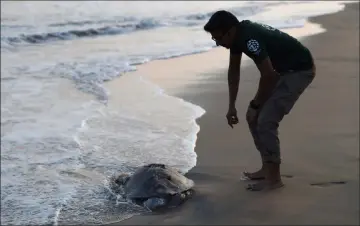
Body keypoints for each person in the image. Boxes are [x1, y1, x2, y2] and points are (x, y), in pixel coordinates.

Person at [203, 10, 316, 191]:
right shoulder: (236, 37)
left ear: (230, 31)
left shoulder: (249, 40)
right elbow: (234, 73)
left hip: (299, 70)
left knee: (266, 120)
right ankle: (266, 167)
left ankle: (274, 179)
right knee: (252, 117)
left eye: (219, 38)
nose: (218, 43)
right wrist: (231, 106)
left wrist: (256, 104)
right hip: (282, 70)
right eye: (214, 39)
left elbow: (269, 76)